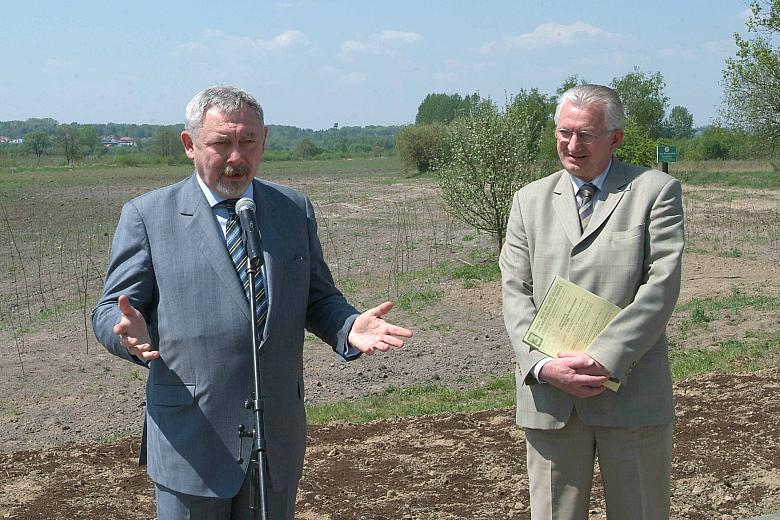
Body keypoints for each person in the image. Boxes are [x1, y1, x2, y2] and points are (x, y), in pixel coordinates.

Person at [91, 85, 413, 520]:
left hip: (275, 438)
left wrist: (348, 325)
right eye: (221, 143)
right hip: (191, 441)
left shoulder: (292, 209)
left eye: (248, 142)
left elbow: (318, 297)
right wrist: (126, 335)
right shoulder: (148, 217)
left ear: (264, 141)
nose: (236, 158)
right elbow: (110, 309)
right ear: (190, 144)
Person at [499, 84, 684, 520]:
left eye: (585, 134)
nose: (572, 144)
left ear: (615, 138)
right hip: (551, 399)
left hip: (631, 393)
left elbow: (661, 285)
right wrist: (542, 365)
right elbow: (514, 290)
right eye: (564, 133)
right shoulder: (528, 200)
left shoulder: (655, 191)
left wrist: (605, 357)